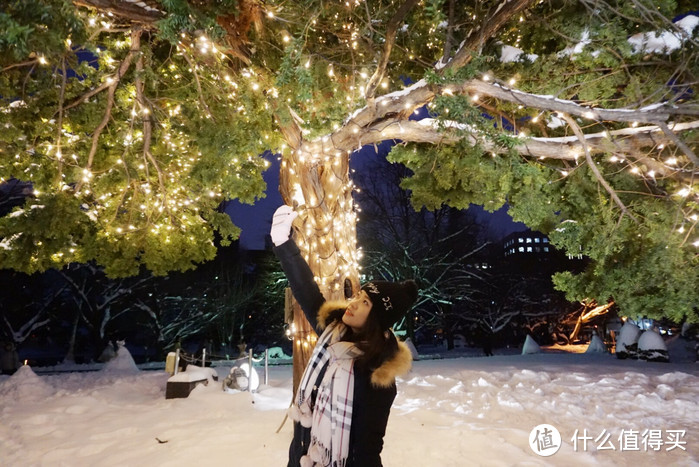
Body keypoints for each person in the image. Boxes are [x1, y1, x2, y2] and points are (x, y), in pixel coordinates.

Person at [271, 205, 418, 467]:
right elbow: (306, 290)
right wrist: (283, 243)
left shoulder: (377, 375)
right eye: (358, 297)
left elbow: (368, 449)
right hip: (302, 457)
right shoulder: (333, 333)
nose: (352, 304)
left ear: (377, 320)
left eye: (365, 303)